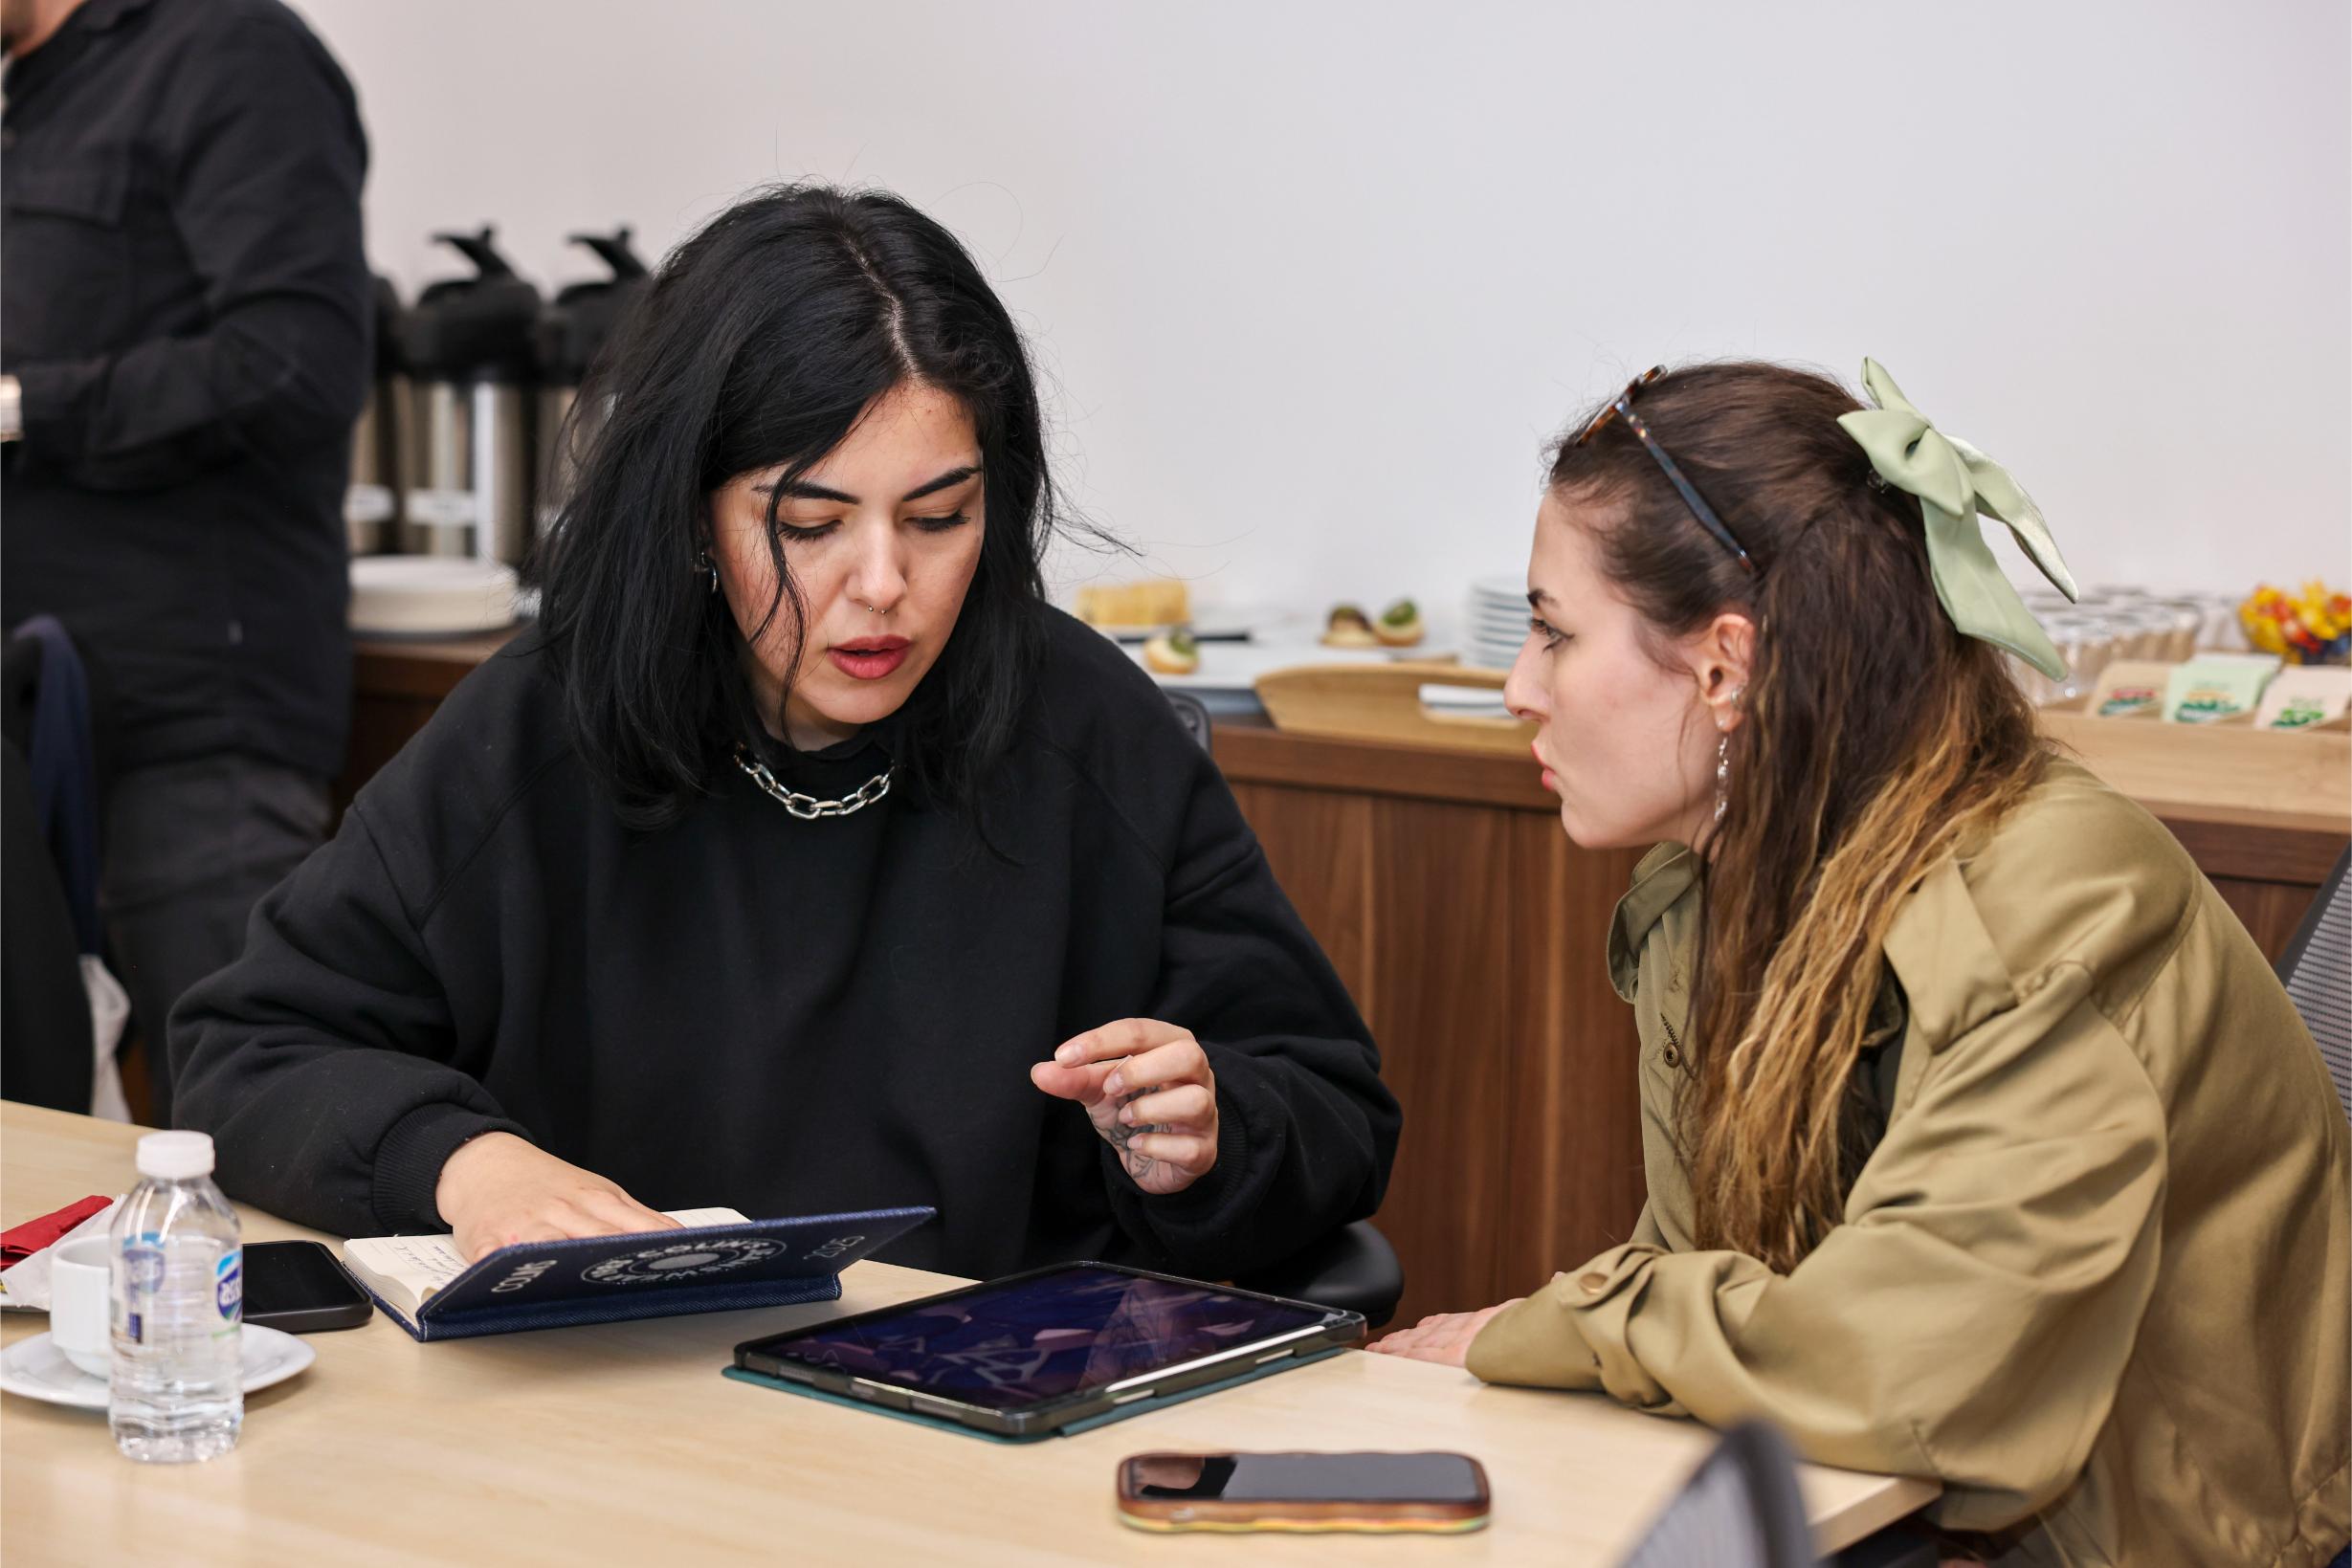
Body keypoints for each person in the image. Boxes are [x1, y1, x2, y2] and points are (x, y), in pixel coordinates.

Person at [171, 185, 1400, 1284]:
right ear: (692, 512)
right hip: (619, 1396)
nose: (884, 585)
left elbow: (1333, 1108)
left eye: (939, 517)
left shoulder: (1087, 726)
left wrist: (1212, 1129)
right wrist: (466, 1163)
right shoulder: (546, 721)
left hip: (988, 1399)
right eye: (810, 524)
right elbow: (247, 1048)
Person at [1368, 360, 2349, 1566]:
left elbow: (1910, 1376)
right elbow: (1721, 1281)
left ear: (1724, 666)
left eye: (1555, 633)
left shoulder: (2049, 905)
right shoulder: (1709, 881)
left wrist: (1571, 1321)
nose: (1518, 687)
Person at [0, 0, 371, 1121]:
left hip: (190, 740)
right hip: (36, 728)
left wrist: (23, 406)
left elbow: (296, 363)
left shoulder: (230, 55)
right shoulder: (35, 93)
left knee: (240, 1126)